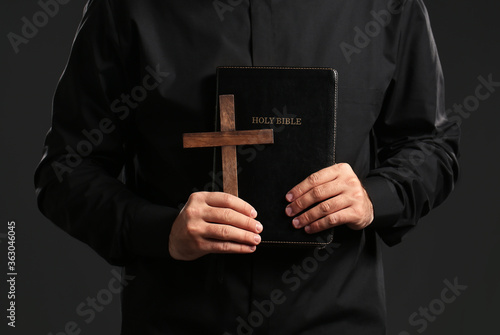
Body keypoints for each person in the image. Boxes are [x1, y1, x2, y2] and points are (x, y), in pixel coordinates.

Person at [35, 0, 459, 334]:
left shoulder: (387, 4)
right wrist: (160, 229)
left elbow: (432, 146)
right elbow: (65, 170)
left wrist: (374, 196)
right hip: (175, 320)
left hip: (336, 317)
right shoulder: (127, 6)